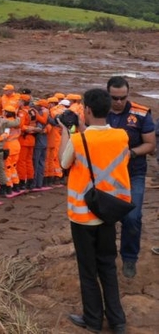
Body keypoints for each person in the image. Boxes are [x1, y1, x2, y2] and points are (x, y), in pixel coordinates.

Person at [59, 88, 129, 334]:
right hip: (109, 211)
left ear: (87, 110)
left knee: (88, 270)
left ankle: (93, 320)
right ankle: (117, 320)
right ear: (109, 108)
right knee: (108, 266)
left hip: (82, 215)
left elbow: (63, 162)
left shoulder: (79, 139)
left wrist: (66, 131)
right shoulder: (122, 136)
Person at [106, 75, 156, 279]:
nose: (119, 102)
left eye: (122, 97)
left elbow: (151, 145)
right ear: (107, 94)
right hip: (106, 174)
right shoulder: (98, 111)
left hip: (133, 172)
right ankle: (106, 256)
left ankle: (129, 258)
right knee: (105, 216)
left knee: (132, 217)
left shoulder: (141, 113)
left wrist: (131, 153)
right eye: (114, 98)